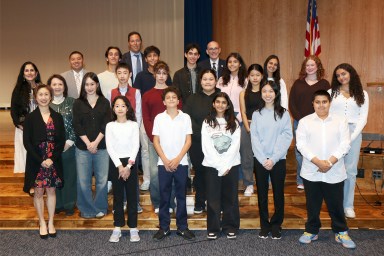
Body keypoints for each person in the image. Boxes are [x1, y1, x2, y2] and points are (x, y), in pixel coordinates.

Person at [297, 90, 356, 249]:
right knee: (312, 205)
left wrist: (329, 162)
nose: (321, 105)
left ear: (329, 103)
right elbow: (301, 145)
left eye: (324, 102)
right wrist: (318, 162)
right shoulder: (304, 122)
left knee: (336, 204)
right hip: (312, 170)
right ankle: (311, 230)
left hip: (334, 170)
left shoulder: (340, 121)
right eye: (318, 102)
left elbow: (345, 144)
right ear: (313, 104)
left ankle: (341, 231)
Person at [250, 80, 293, 239]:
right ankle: (264, 224)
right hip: (260, 160)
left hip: (278, 160)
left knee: (278, 193)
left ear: (276, 93)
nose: (267, 94)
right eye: (264, 91)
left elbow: (287, 136)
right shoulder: (256, 114)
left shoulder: (284, 113)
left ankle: (276, 224)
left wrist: (273, 158)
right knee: (262, 194)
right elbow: (254, 137)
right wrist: (262, 159)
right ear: (261, 94)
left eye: (271, 91)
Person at [152, 86, 195, 241]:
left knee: (181, 196)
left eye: (174, 97)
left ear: (178, 100)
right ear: (164, 101)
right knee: (164, 196)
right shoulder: (159, 118)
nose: (171, 99)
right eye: (168, 97)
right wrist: (164, 159)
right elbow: (156, 141)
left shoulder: (185, 117)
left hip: (181, 163)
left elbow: (188, 140)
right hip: (163, 163)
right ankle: (164, 228)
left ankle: (182, 228)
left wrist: (177, 159)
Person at [23, 84, 65, 239]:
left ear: (51, 97)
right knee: (39, 191)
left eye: (46, 94)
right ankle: (42, 222)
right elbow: (27, 142)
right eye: (40, 94)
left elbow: (61, 141)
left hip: (53, 160)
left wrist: (51, 159)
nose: (43, 97)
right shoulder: (30, 118)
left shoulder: (57, 117)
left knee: (51, 190)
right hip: (36, 160)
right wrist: (41, 160)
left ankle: (51, 222)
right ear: (36, 97)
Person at [329, 63, 369, 219]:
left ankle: (348, 205)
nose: (341, 77)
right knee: (335, 169)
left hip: (354, 133)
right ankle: (335, 205)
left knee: (350, 171)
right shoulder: (331, 93)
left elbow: (363, 118)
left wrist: (350, 138)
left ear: (351, 73)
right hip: (335, 133)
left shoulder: (363, 94)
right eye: (338, 75)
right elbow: (326, 114)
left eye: (344, 74)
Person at [202, 92, 241, 240]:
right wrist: (219, 166)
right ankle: (213, 228)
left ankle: (230, 226)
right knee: (213, 198)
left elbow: (235, 146)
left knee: (230, 198)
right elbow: (206, 146)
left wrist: (226, 165)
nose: (220, 105)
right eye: (217, 102)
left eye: (223, 102)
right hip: (212, 165)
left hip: (231, 165)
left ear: (228, 105)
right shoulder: (207, 122)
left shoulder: (234, 122)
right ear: (213, 103)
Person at [142, 61, 180, 213]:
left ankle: (170, 202)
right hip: (154, 141)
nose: (161, 76)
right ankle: (158, 203)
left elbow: (179, 115)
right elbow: (146, 119)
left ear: (167, 75)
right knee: (155, 173)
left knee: (171, 170)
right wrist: (154, 138)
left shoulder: (173, 94)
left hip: (172, 142)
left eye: (164, 73)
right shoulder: (147, 95)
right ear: (154, 74)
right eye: (159, 73)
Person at [72, 72, 111, 219]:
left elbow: (106, 124)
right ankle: (87, 209)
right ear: (83, 86)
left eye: (92, 84)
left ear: (97, 85)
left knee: (102, 180)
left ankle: (100, 207)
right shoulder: (78, 103)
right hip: (83, 148)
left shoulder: (104, 102)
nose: (89, 87)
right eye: (87, 84)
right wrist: (89, 143)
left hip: (101, 147)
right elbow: (77, 125)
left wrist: (95, 143)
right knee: (83, 181)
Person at [133, 45, 172, 191]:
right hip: (148, 122)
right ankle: (148, 179)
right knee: (146, 152)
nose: (161, 76)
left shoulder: (170, 91)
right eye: (149, 56)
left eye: (164, 73)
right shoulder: (142, 77)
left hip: (167, 128)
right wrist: (151, 134)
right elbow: (140, 101)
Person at [289, 55, 330, 190]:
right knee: (300, 151)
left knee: (316, 150)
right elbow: (292, 104)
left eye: (312, 65)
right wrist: (301, 120)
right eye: (307, 65)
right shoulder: (298, 83)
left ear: (317, 66)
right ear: (304, 67)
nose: (310, 68)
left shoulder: (324, 84)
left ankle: (315, 177)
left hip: (319, 123)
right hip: (300, 123)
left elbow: (327, 104)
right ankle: (301, 179)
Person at [183, 69, 221, 214]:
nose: (208, 82)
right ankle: (199, 201)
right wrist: (203, 133)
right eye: (205, 79)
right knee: (199, 172)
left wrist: (212, 134)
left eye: (211, 79)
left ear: (216, 81)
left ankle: (215, 202)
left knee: (216, 171)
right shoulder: (192, 98)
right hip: (197, 142)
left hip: (217, 142)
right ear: (200, 81)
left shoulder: (221, 96)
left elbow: (226, 116)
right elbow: (187, 118)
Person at [106, 96, 140, 243]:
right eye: (117, 106)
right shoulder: (110, 126)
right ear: (113, 108)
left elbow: (135, 146)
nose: (120, 108)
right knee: (118, 197)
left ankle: (133, 227)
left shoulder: (133, 125)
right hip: (116, 163)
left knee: (132, 196)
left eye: (123, 106)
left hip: (130, 163)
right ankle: (117, 227)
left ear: (128, 108)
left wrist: (128, 166)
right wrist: (120, 166)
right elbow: (110, 147)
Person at [48, 74, 77, 216]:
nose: (57, 87)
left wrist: (69, 141)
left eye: (60, 84)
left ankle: (69, 204)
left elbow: (77, 124)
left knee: (70, 175)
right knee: (55, 176)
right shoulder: (46, 104)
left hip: (69, 146)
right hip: (51, 149)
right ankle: (57, 204)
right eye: (54, 84)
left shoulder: (72, 102)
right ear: (50, 87)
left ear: (64, 86)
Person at [11, 61, 42, 175]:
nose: (29, 73)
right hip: (24, 128)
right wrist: (19, 124)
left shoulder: (42, 87)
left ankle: (40, 181)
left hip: (40, 127)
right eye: (26, 70)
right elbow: (14, 109)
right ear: (23, 74)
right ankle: (30, 183)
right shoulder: (18, 89)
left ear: (36, 72)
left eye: (32, 70)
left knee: (40, 154)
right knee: (25, 155)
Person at [239, 64, 264, 196]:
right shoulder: (243, 93)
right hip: (247, 126)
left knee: (262, 155)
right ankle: (248, 183)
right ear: (248, 77)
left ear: (262, 76)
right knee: (246, 156)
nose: (255, 78)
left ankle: (263, 182)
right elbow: (243, 112)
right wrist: (248, 128)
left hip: (264, 128)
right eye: (252, 75)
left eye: (257, 75)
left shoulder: (266, 91)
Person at [216, 52, 247, 122]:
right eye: (230, 62)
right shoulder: (221, 80)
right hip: (222, 114)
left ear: (240, 64)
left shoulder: (246, 81)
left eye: (235, 62)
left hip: (239, 116)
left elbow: (247, 101)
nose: (232, 64)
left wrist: (240, 117)